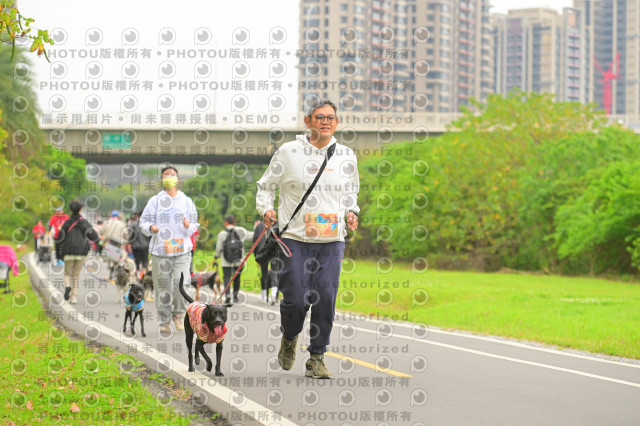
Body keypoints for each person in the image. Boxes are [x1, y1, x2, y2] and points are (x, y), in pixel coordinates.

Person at [256, 99, 360, 379]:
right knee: (296, 297)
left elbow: (351, 192)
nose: (325, 122)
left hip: (332, 239)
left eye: (330, 118)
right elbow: (265, 187)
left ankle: (317, 357)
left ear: (336, 122)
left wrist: (352, 212)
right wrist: (266, 209)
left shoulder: (346, 155)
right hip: (295, 238)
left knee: (325, 296)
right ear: (308, 121)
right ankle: (290, 337)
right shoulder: (288, 152)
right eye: (319, 117)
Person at [140, 166, 199, 333]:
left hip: (182, 250)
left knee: (182, 283)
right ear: (162, 179)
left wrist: (188, 225)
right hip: (160, 251)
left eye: (173, 175)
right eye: (166, 175)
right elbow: (143, 222)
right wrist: (151, 227)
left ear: (178, 179)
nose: (169, 177)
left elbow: (195, 224)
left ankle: (178, 315)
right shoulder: (154, 201)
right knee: (162, 287)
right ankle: (164, 321)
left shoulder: (186, 201)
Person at [54, 201, 100, 304]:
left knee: (67, 273)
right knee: (76, 275)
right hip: (81, 252)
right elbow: (94, 237)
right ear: (80, 210)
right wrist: (98, 242)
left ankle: (67, 286)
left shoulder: (67, 223)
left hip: (68, 251)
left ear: (70, 210)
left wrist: (58, 254)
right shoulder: (84, 223)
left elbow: (59, 239)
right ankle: (74, 297)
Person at [215, 215, 251, 303]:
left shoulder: (222, 234)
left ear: (226, 222)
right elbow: (251, 236)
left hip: (225, 260)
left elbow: (219, 248)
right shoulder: (240, 232)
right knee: (237, 277)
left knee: (227, 277)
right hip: (238, 260)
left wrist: (217, 255)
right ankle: (235, 296)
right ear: (234, 222)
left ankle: (227, 295)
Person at [253, 220, 278, 305]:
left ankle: (263, 297)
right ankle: (274, 296)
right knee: (274, 274)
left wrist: (256, 256)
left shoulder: (259, 226)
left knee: (264, 274)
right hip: (275, 252)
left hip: (263, 252)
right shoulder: (278, 224)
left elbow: (255, 241)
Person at [100, 210, 127, 281]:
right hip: (118, 244)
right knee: (120, 258)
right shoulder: (122, 224)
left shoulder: (107, 222)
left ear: (111, 216)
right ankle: (118, 273)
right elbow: (125, 234)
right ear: (118, 216)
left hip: (109, 243)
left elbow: (101, 231)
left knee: (110, 259)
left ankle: (111, 275)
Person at [127, 210, 151, 280]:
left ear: (138, 216)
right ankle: (143, 277)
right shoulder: (149, 226)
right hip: (146, 247)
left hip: (136, 247)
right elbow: (150, 237)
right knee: (145, 263)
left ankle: (137, 277)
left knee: (136, 262)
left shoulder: (134, 225)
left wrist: (129, 244)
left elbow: (131, 237)